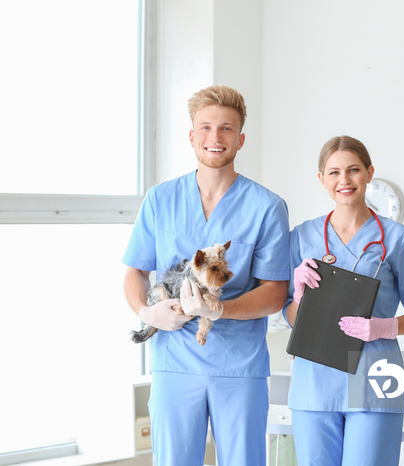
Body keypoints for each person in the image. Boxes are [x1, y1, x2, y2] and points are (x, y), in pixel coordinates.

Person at [123, 85, 290, 466]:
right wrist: (147, 314)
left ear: (241, 139)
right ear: (192, 136)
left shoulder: (266, 207)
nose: (216, 138)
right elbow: (134, 271)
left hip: (239, 365)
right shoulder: (160, 200)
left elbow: (275, 293)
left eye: (227, 129)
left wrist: (221, 312)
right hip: (174, 364)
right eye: (206, 128)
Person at [283, 135, 404, 466]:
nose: (344, 181)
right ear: (321, 179)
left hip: (376, 377)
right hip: (314, 382)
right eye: (334, 172)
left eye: (353, 170)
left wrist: (384, 327)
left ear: (369, 173)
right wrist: (298, 296)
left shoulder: (399, 239)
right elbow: (292, 316)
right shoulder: (301, 237)